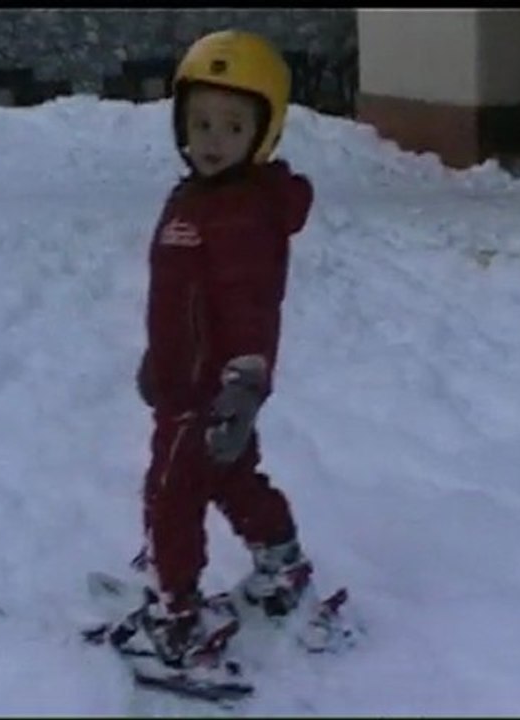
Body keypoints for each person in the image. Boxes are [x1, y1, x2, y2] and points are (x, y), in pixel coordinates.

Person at [134, 29, 315, 669]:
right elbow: (180, 296)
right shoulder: (197, 197)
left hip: (209, 393)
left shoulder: (241, 215)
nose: (211, 139)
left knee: (170, 495)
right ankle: (282, 565)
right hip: (186, 381)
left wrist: (242, 385)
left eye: (231, 127)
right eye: (200, 122)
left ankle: (176, 609)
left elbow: (250, 307)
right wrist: (157, 359)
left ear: (261, 136)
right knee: (233, 479)